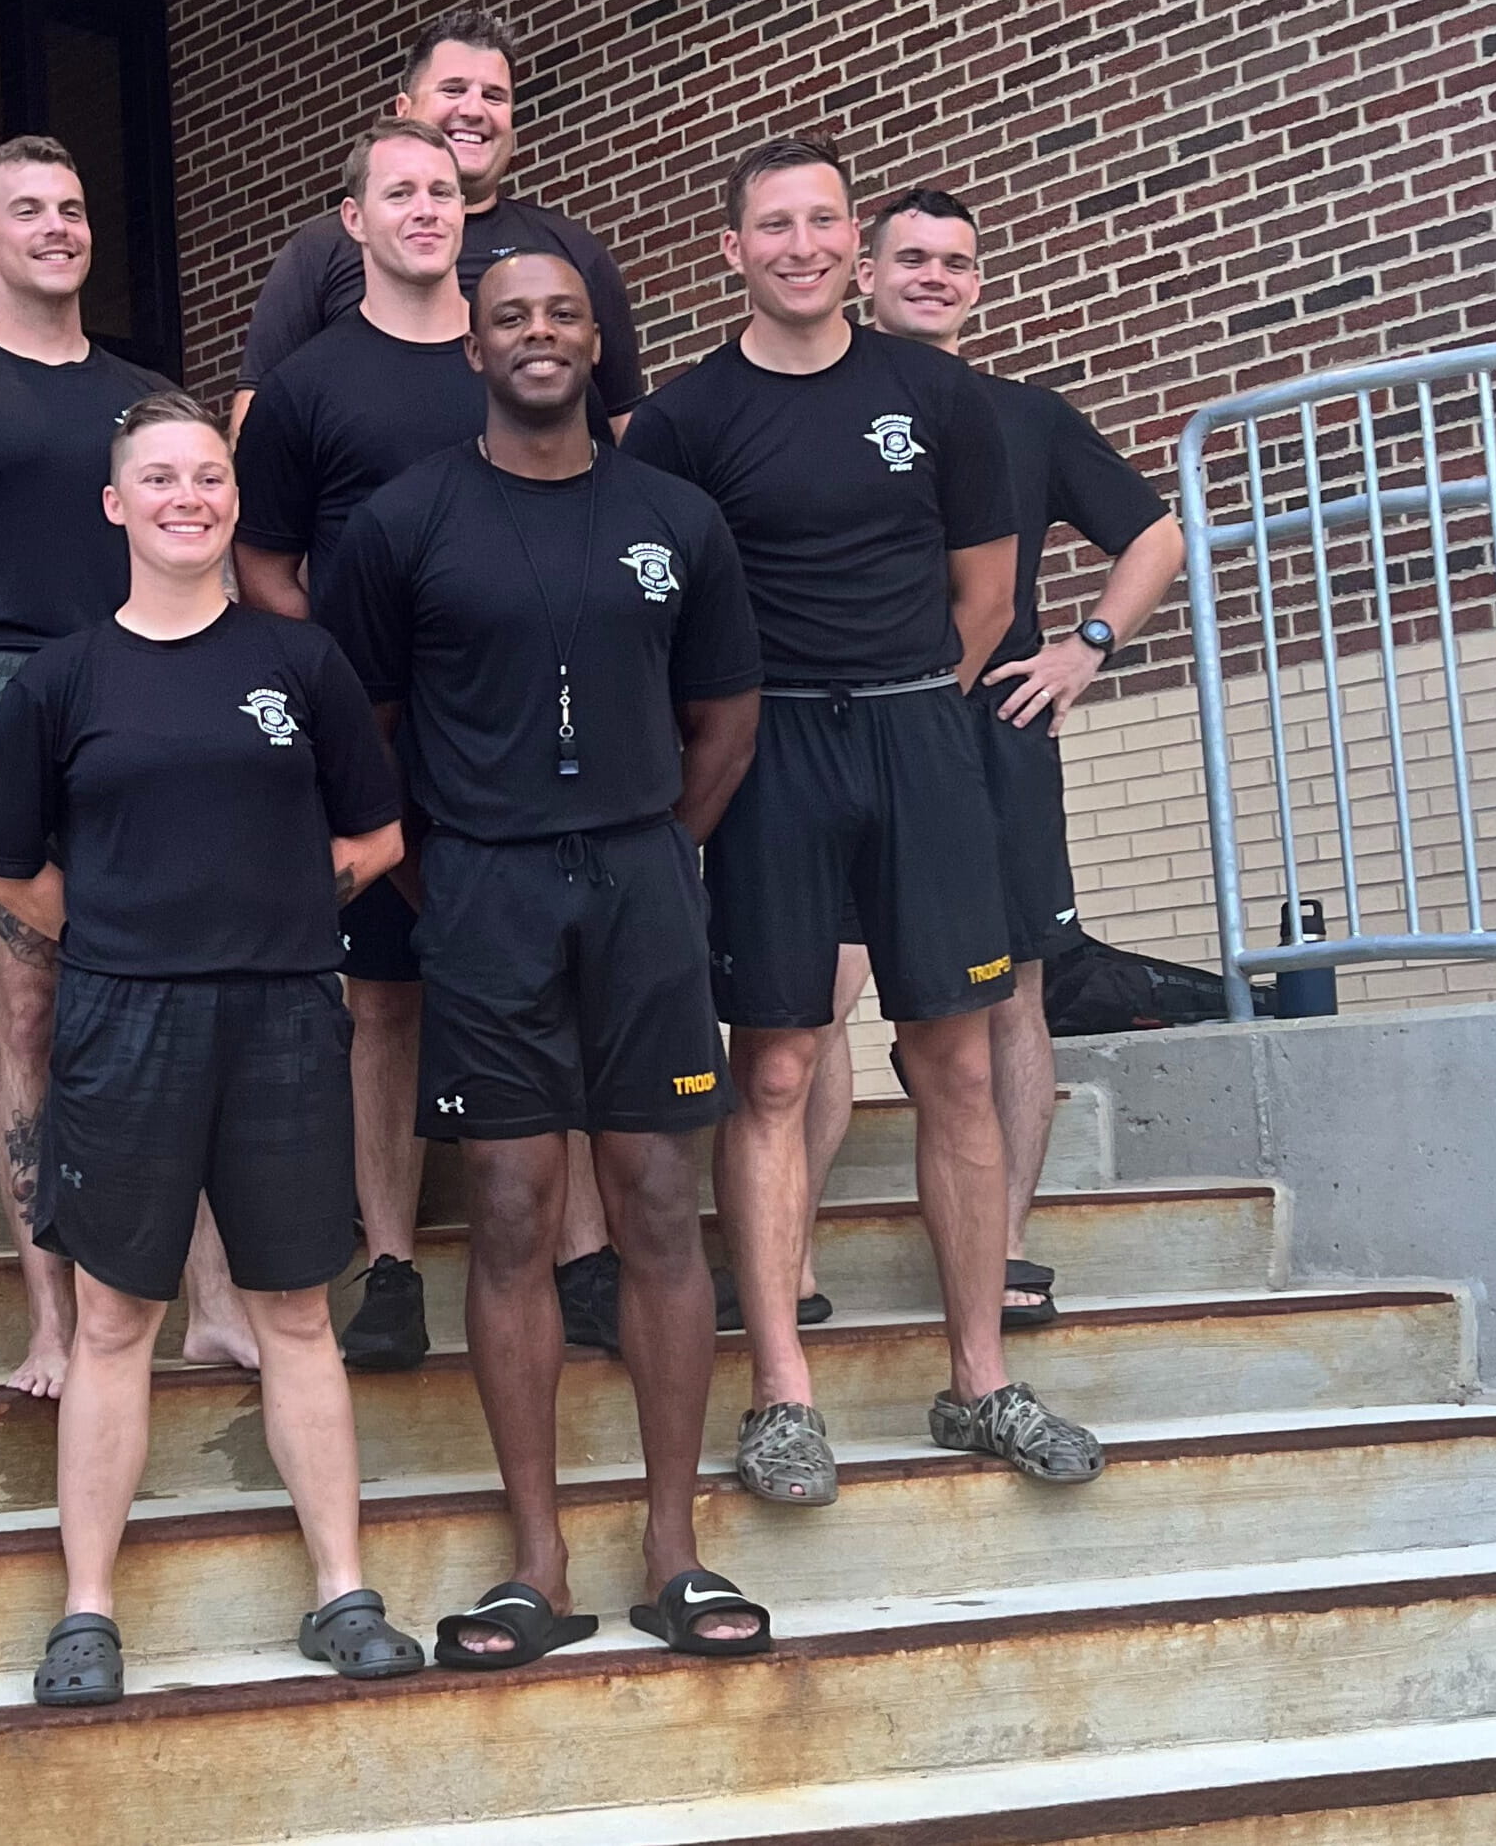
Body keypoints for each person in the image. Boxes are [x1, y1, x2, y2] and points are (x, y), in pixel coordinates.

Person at [625, 134, 1106, 1504]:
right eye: (769, 225)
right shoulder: (682, 419)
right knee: (774, 1068)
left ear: (853, 241)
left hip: (916, 738)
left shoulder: (932, 392)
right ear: (730, 249)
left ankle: (981, 1380)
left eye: (822, 221)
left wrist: (906, 719)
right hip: (771, 752)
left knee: (952, 1062)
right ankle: (784, 1394)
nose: (799, 245)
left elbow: (981, 597)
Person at [323, 249, 771, 1665]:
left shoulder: (674, 515)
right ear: (472, 344)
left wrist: (647, 846)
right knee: (512, 1203)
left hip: (643, 882)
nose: (535, 333)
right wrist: (456, 855)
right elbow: (358, 721)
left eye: (560, 313)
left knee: (652, 1194)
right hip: (484, 892)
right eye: (507, 313)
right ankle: (536, 1559)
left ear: (597, 340)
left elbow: (727, 721)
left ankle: (675, 1549)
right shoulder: (405, 520)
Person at [0, 390, 424, 1705]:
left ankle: (342, 1588)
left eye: (207, 477)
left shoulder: (300, 662)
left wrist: (271, 915)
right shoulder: (63, 678)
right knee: (115, 1317)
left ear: (232, 498)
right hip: (124, 1019)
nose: (186, 497)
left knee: (293, 1311)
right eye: (158, 478)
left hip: (283, 1012)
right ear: (114, 505)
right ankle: (88, 1612)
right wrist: (114, 932)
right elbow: (0, 868)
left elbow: (375, 838)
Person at [0, 136, 255, 1400]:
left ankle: (208, 1300)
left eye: (74, 208)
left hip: (155, 692)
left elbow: (209, 552)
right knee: (29, 1012)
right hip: (6, 700)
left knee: (185, 1000)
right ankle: (55, 1321)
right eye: (26, 210)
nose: (56, 227)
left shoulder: (145, 400)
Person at [234, 116, 621, 1368]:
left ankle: (588, 1258)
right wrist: (350, 689)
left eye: (444, 192)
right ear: (353, 222)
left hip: (535, 735)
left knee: (568, 987)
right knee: (385, 1001)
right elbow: (264, 565)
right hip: (382, 747)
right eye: (398, 193)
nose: (425, 210)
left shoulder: (513, 350)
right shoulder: (305, 389)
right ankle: (391, 1264)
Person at [797, 187, 1185, 1327]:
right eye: (909, 258)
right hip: (837, 734)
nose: (933, 276)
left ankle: (1002, 1247)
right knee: (817, 993)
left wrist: (1087, 647)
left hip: (989, 735)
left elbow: (1156, 532)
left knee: (1011, 991)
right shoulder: (812, 406)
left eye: (954, 263)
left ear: (976, 285)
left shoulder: (1027, 414)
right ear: (863, 274)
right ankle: (794, 1264)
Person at [230, 9, 645, 440]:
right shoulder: (323, 248)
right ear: (403, 110)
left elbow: (623, 430)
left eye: (494, 96)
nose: (474, 109)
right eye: (453, 89)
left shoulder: (572, 251)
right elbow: (257, 421)